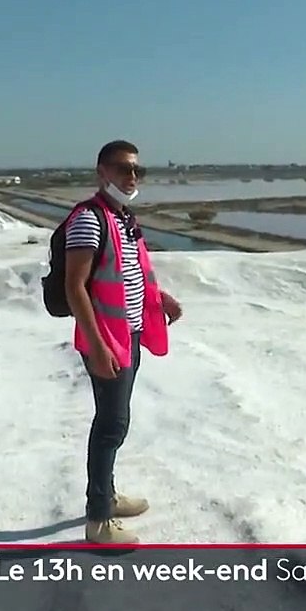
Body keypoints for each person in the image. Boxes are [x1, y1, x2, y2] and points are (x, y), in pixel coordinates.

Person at [61, 140, 182, 544]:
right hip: (106, 339)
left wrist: (158, 299)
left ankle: (107, 496)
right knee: (111, 425)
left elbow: (130, 271)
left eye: (136, 170)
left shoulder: (122, 217)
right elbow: (75, 286)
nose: (130, 177)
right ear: (101, 172)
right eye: (121, 168)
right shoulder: (89, 219)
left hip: (126, 333)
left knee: (117, 421)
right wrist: (96, 346)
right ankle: (98, 519)